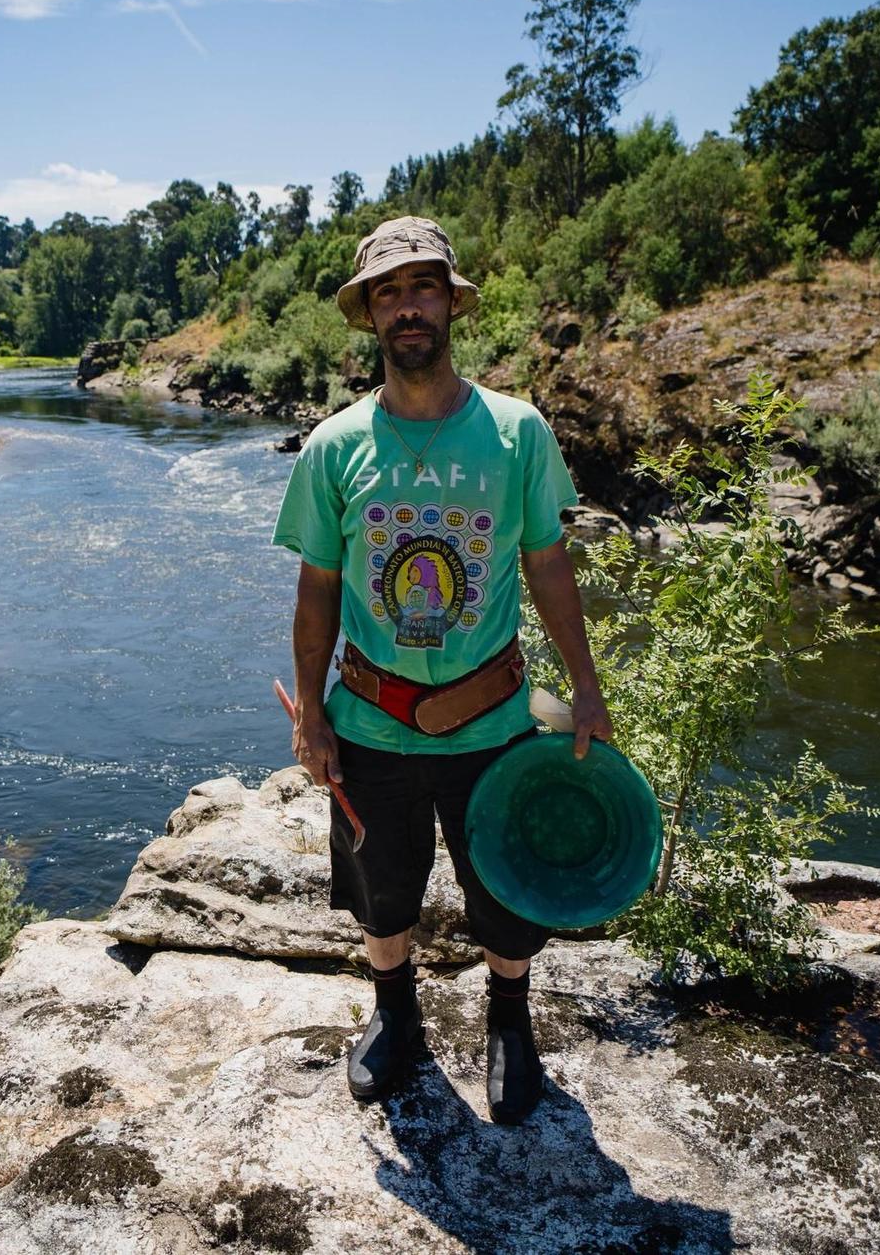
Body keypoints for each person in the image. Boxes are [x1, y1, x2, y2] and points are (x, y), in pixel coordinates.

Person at [271, 215, 612, 1125]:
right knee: (381, 888)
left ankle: (510, 1023)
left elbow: (546, 562)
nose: (407, 305)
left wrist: (584, 684)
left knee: (502, 883)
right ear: (371, 315)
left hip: (495, 716)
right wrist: (311, 712)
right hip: (371, 719)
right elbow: (318, 591)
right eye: (388, 291)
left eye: (422, 286)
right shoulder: (334, 447)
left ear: (451, 302)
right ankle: (398, 1023)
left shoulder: (517, 432)